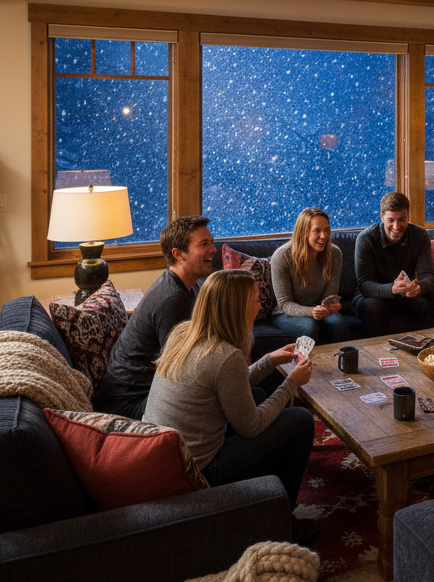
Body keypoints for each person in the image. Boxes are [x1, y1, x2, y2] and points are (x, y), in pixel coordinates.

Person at [144, 269, 318, 542]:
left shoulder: (183, 334)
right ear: (236, 308)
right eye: (255, 299)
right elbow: (252, 427)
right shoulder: (225, 356)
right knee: (300, 421)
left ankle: (265, 496)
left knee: (258, 395)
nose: (260, 304)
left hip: (166, 460)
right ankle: (282, 521)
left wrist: (269, 360)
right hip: (200, 472)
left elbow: (228, 387)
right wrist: (291, 383)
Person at [93, 215, 217, 419]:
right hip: (130, 403)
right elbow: (181, 369)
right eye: (204, 244)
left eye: (211, 242)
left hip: (143, 392)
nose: (213, 249)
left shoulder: (188, 284)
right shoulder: (173, 299)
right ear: (178, 254)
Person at [353, 192, 434, 336]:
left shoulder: (420, 236)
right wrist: (392, 289)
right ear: (382, 217)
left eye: (402, 220)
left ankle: (425, 348)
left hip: (406, 295)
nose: (396, 227)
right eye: (390, 220)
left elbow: (429, 276)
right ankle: (379, 355)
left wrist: (419, 288)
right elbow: (365, 284)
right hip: (371, 296)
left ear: (408, 217)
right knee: (374, 306)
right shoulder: (366, 238)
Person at [270, 207, 349, 344]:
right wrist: (312, 311)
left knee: (338, 323)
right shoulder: (282, 256)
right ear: (303, 232)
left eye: (327, 230)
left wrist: (331, 306)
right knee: (309, 327)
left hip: (319, 310)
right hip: (286, 314)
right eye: (317, 231)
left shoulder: (335, 254)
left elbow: (329, 297)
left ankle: (341, 364)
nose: (324, 236)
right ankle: (307, 365)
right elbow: (284, 304)